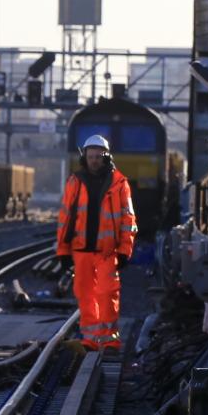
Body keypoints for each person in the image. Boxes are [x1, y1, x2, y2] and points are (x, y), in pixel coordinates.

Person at [48, 134, 137, 350]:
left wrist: (125, 250)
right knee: (86, 296)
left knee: (107, 294)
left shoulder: (119, 183)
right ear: (84, 157)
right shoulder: (75, 182)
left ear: (106, 157)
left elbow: (128, 220)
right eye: (91, 156)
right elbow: (65, 218)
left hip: (107, 251)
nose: (94, 160)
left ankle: (110, 340)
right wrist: (63, 251)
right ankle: (90, 340)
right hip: (82, 250)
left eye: (98, 156)